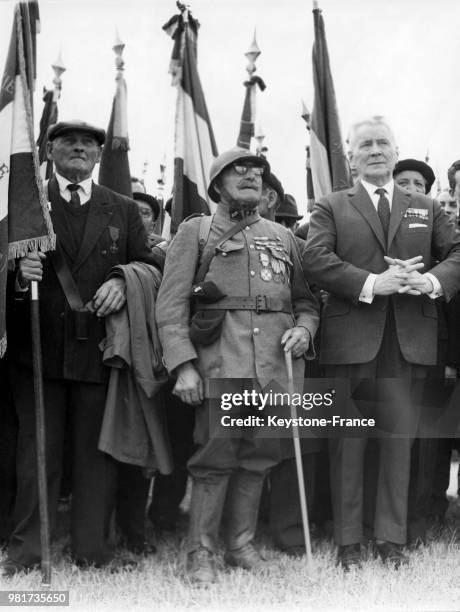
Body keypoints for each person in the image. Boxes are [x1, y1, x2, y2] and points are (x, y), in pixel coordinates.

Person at [3, 120, 161, 575]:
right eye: (68, 141)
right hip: (37, 349)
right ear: (48, 150)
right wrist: (18, 275)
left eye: (88, 143)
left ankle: (92, 548)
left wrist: (122, 279)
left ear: (98, 155)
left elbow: (150, 263)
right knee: (37, 454)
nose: (78, 148)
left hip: (100, 351)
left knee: (97, 455)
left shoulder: (123, 208)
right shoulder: (23, 203)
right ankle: (29, 548)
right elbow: (1, 264)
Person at [156, 147, 319, 584]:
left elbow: (306, 301)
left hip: (275, 368)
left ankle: (240, 544)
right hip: (220, 362)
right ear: (216, 183)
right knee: (215, 457)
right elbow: (170, 307)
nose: (251, 176)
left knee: (260, 456)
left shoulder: (283, 237)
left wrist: (304, 329)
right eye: (238, 170)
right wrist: (183, 366)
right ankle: (201, 552)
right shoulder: (197, 232)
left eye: (257, 171)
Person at [304, 116, 460, 570]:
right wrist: (375, 282)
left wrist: (428, 281)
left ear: (395, 151)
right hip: (352, 339)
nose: (375, 150)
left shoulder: (426, 207)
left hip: (408, 341)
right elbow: (315, 258)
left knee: (398, 440)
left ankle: (391, 539)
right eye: (365, 145)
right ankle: (349, 541)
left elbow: (456, 254)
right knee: (349, 442)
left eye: (383, 143)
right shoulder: (332, 205)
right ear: (351, 156)